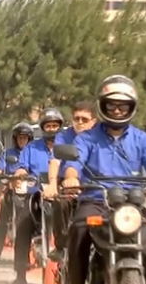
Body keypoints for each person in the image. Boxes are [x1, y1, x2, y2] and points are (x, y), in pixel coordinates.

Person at [60, 75, 146, 284]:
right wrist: (71, 178)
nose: (117, 111)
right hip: (96, 201)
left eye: (123, 106)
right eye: (112, 106)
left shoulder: (142, 138)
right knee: (79, 230)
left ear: (131, 108)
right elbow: (74, 164)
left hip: (131, 204)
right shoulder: (87, 138)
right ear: (102, 106)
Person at [11, 108, 65, 284]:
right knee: (22, 226)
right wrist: (19, 173)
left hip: (62, 197)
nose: (51, 129)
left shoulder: (68, 146)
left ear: (60, 126)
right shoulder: (31, 147)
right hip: (35, 195)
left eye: (54, 125)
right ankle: (20, 274)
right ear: (43, 128)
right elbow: (22, 167)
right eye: (48, 125)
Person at [43, 101, 97, 261]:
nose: (79, 122)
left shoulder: (101, 137)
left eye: (84, 119)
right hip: (68, 184)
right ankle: (61, 245)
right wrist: (53, 184)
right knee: (61, 202)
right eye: (76, 118)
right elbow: (55, 161)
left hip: (95, 184)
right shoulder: (63, 136)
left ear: (94, 121)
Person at [0, 122, 34, 264]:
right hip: (11, 190)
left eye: (25, 138)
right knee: (2, 222)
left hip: (30, 192)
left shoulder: (34, 153)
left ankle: (29, 256)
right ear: (15, 138)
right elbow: (0, 169)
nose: (22, 140)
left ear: (29, 139)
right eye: (20, 138)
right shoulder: (8, 153)